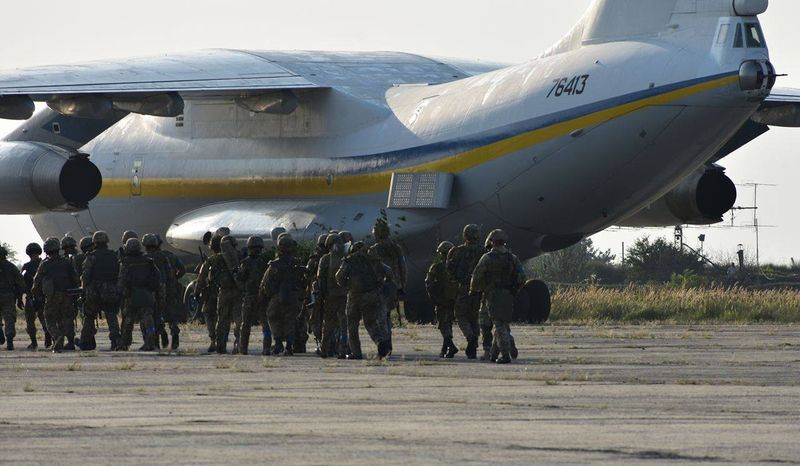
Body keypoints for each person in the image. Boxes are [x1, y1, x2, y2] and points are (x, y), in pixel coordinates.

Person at [470, 229, 525, 364]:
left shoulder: (487, 258)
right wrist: (514, 290)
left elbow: (476, 276)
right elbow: (522, 277)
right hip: (508, 295)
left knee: (497, 325)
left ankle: (505, 354)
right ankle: (494, 354)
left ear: (492, 242)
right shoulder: (513, 258)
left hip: (492, 295)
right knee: (502, 323)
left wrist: (474, 290)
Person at [336, 241, 391, 360]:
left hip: (355, 296)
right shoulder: (373, 259)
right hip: (372, 295)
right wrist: (382, 283)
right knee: (371, 323)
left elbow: (339, 276)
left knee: (352, 325)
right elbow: (389, 272)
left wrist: (347, 285)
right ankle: (380, 341)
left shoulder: (349, 260)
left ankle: (356, 353)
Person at [259, 234, 306, 356]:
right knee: (290, 320)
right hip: (293, 296)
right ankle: (289, 346)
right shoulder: (297, 264)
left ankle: (278, 343)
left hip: (276, 297)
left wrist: (268, 295)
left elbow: (266, 283)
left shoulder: (274, 265)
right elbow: (304, 281)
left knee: (273, 318)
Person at [32, 238, 80, 353]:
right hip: (67, 294)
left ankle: (57, 336)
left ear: (46, 250)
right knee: (67, 318)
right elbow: (75, 278)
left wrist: (35, 295)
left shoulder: (45, 264)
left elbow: (37, 281)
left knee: (49, 318)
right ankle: (71, 342)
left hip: (52, 296)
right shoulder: (66, 262)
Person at [447, 224, 484, 359]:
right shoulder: (483, 251)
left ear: (465, 235)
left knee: (461, 315)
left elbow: (450, 269)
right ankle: (474, 346)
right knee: (475, 317)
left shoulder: (456, 251)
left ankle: (470, 336)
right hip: (479, 289)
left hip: (463, 287)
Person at [368, 219, 406, 351]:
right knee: (387, 315)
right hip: (394, 287)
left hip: (379, 287)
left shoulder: (373, 250)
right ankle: (388, 342)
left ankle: (384, 344)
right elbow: (403, 268)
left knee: (380, 317)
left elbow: (371, 271)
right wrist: (402, 286)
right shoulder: (396, 248)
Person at [117, 238, 161, 351]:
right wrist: (151, 289)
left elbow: (122, 280)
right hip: (146, 294)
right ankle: (150, 341)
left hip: (131, 296)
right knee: (148, 320)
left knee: (128, 322)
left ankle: (124, 344)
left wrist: (120, 293)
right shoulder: (148, 261)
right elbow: (157, 276)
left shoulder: (126, 262)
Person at [81, 231, 122, 351]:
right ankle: (115, 341)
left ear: (94, 243)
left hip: (94, 291)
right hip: (110, 290)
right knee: (111, 316)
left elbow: (85, 275)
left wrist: (85, 289)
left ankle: (85, 342)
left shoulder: (91, 256)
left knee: (89, 316)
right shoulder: (114, 256)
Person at [236, 236, 271, 355]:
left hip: (250, 296)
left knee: (245, 324)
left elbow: (240, 278)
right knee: (266, 324)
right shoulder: (266, 262)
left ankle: (243, 348)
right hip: (263, 297)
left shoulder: (245, 263)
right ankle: (266, 348)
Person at [208, 235, 241, 354]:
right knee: (238, 319)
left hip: (224, 291)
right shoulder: (241, 256)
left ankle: (220, 345)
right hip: (239, 291)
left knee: (222, 319)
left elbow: (211, 277)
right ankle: (238, 344)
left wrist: (218, 284)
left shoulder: (218, 258)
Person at [317, 233, 349, 358]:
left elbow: (320, 278)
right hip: (345, 296)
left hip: (330, 296)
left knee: (328, 324)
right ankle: (343, 349)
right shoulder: (347, 257)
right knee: (344, 324)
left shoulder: (325, 259)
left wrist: (322, 295)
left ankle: (324, 349)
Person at [425, 241, 458, 358]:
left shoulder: (437, 266)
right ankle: (445, 349)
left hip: (441, 299)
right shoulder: (456, 266)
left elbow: (428, 281)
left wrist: (433, 295)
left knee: (443, 325)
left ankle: (451, 346)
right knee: (447, 323)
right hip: (453, 299)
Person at [142, 234, 172, 349]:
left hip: (149, 290)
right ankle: (162, 332)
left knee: (148, 314)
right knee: (158, 313)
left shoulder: (145, 258)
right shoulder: (163, 257)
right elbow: (169, 274)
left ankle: (152, 341)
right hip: (162, 288)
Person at [157, 235, 186, 350]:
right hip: (171, 289)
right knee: (172, 315)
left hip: (157, 290)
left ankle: (162, 335)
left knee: (157, 314)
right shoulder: (171, 256)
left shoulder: (150, 257)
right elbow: (182, 269)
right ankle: (175, 337)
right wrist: (174, 278)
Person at [195, 234, 222, 352]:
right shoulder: (232, 260)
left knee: (208, 314)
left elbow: (201, 278)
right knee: (224, 317)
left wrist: (196, 292)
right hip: (228, 292)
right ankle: (233, 341)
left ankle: (213, 340)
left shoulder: (210, 261)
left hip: (212, 294)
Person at [21, 243, 50, 350]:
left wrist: (19, 298)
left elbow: (21, 283)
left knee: (30, 321)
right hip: (44, 296)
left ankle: (34, 342)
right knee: (44, 318)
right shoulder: (45, 264)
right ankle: (47, 334)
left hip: (31, 297)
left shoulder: (26, 267)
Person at [305, 234, 329, 354]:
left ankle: (321, 343)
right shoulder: (332, 258)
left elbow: (307, 274)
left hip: (317, 292)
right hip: (327, 293)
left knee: (316, 318)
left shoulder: (316, 259)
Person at [0, 245, 25, 350]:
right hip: (8, 296)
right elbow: (20, 284)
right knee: (9, 319)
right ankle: (9, 340)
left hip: (8, 295)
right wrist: (19, 298)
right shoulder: (11, 267)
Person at [60, 236, 80, 351]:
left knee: (68, 318)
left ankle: (71, 342)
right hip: (76, 292)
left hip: (71, 293)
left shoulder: (68, 260)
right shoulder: (80, 257)